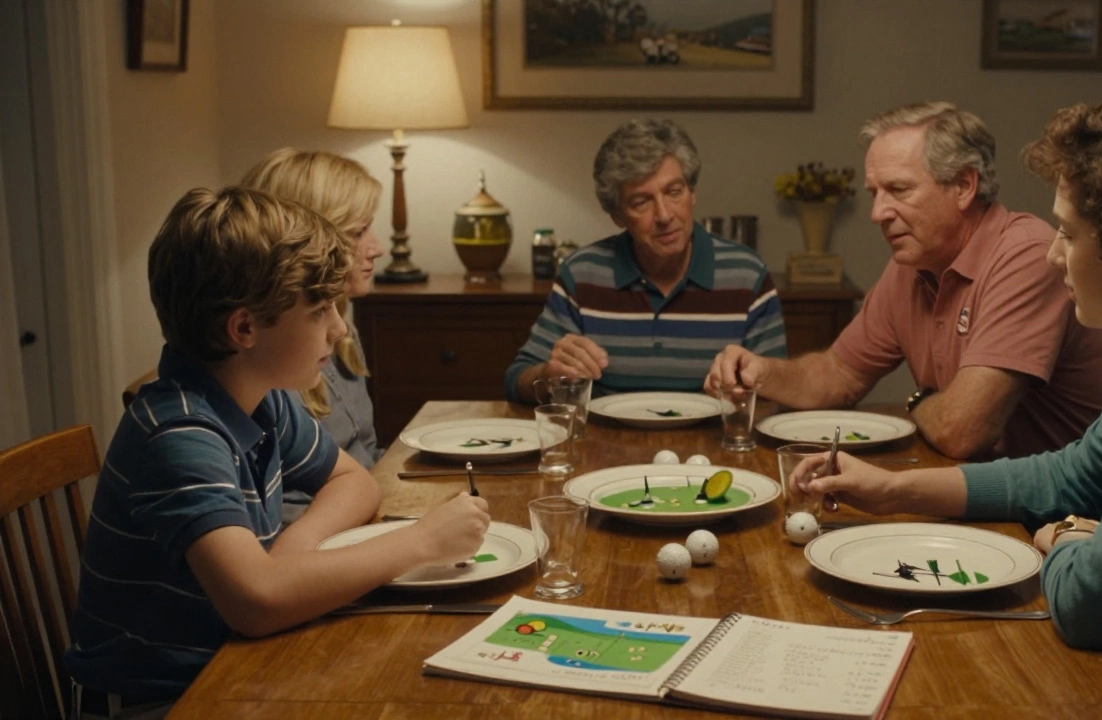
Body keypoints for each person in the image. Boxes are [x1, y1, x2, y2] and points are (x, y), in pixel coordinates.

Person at [789, 91, 1102, 719]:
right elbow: (1068, 474)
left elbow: (1094, 604)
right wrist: (891, 491)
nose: (1053, 253)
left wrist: (1070, 535)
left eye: (1069, 234)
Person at [65, 187, 489, 714]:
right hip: (166, 700)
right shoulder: (177, 434)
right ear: (244, 328)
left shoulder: (261, 399)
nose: (338, 329)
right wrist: (422, 542)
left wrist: (291, 552)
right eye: (318, 311)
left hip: (242, 666)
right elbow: (256, 603)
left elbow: (351, 481)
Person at [706, 102, 1102, 460]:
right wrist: (762, 374)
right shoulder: (912, 264)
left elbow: (961, 431)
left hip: (1064, 515)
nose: (877, 213)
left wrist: (919, 401)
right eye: (874, 193)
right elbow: (838, 375)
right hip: (980, 489)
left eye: (898, 190)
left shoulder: (1027, 255)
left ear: (963, 185)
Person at [504, 119, 787, 403]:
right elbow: (516, 381)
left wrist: (753, 386)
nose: (664, 216)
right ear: (617, 215)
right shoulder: (582, 274)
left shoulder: (747, 275)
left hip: (713, 443)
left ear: (692, 194)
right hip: (606, 443)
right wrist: (550, 375)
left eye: (674, 192)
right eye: (641, 202)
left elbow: (777, 392)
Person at [241, 149, 385, 521]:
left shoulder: (341, 329)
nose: (377, 248)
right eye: (357, 232)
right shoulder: (270, 365)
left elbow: (367, 460)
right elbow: (275, 537)